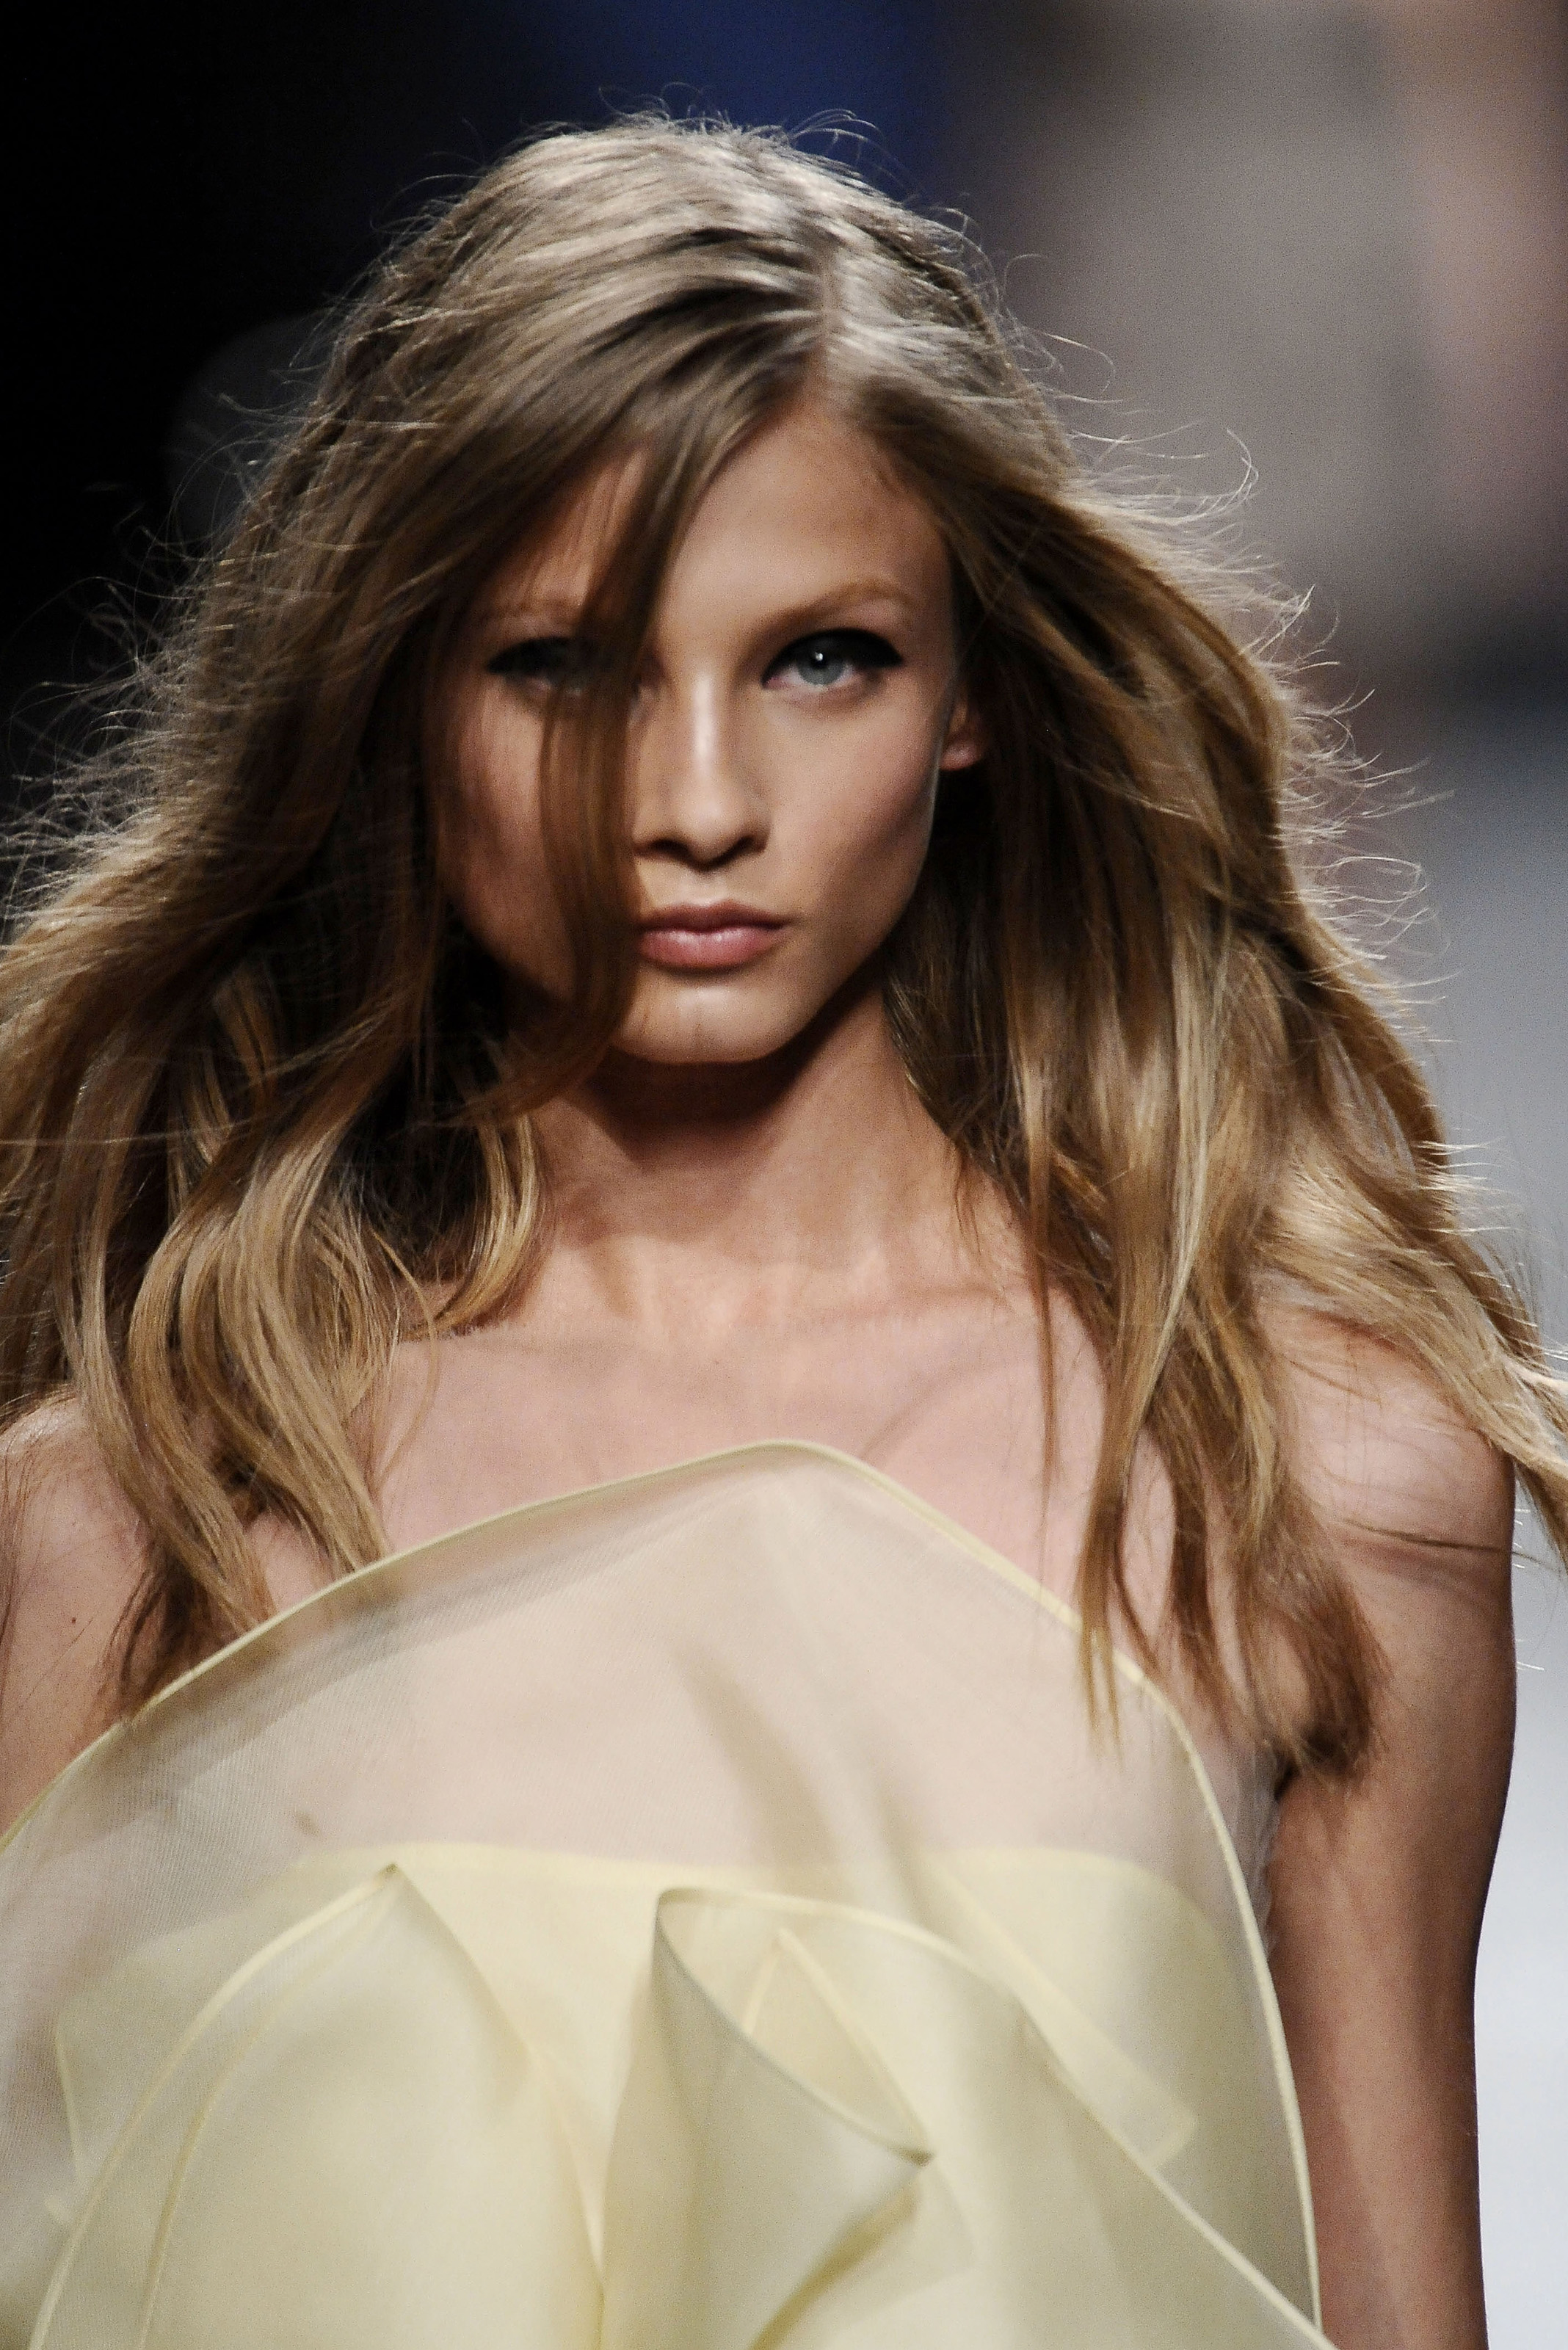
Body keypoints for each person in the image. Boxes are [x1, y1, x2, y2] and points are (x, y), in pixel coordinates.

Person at [0, 117, 1562, 2350]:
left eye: (820, 657)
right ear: (396, 694)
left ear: (973, 696)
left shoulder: (1290, 1470)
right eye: (561, 665)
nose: (697, 800)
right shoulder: (140, 1509)